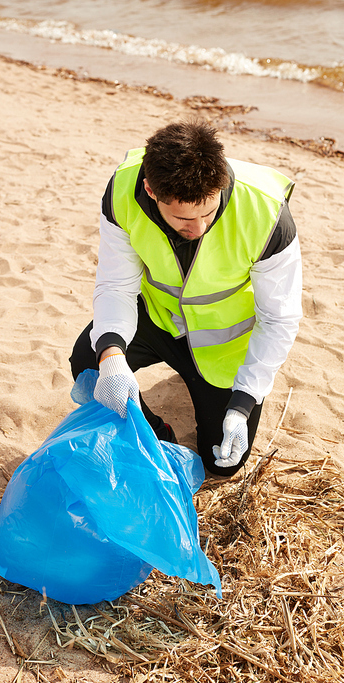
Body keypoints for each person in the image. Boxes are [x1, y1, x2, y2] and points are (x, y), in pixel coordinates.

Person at [70, 120, 302, 477]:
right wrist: (113, 357)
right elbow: (117, 286)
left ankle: (210, 391)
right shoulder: (122, 191)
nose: (199, 228)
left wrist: (243, 402)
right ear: (150, 189)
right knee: (90, 360)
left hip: (223, 346)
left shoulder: (267, 214)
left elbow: (279, 319)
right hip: (158, 318)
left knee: (223, 464)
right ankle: (155, 435)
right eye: (183, 218)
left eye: (208, 212)